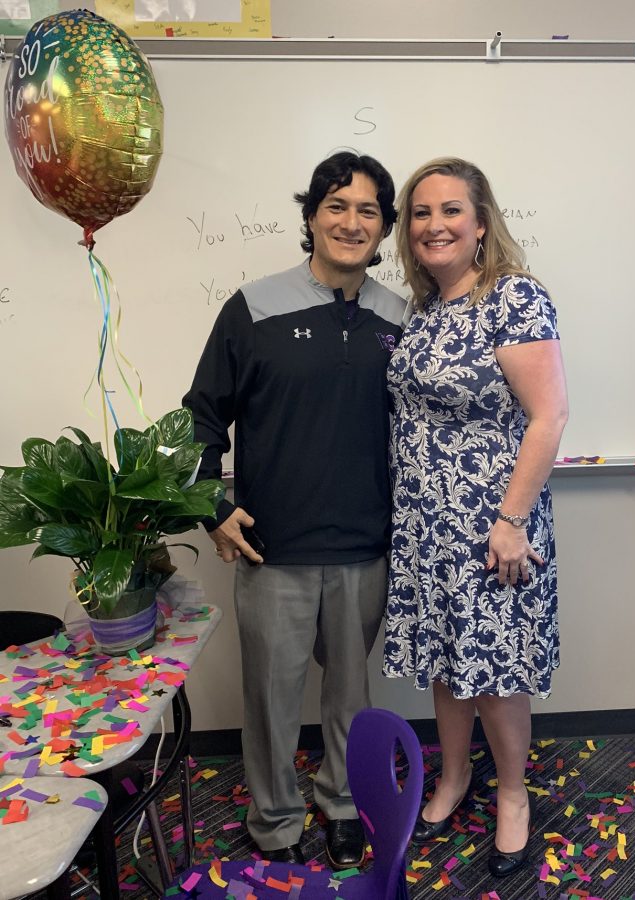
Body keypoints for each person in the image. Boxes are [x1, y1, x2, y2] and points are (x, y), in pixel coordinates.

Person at [183, 152, 407, 868]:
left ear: (384, 227)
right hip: (270, 548)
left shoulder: (401, 319)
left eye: (368, 210)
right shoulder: (252, 308)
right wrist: (212, 506)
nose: (351, 221)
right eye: (336, 206)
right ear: (310, 217)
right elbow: (200, 417)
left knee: (350, 693)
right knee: (272, 701)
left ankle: (341, 802)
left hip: (365, 546)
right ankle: (276, 819)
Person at [382, 157, 568, 878]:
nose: (435, 225)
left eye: (451, 210)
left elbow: (549, 417)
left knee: (494, 669)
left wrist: (511, 519)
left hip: (494, 523)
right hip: (426, 522)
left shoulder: (512, 299)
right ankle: (456, 777)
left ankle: (513, 795)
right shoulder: (422, 309)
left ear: (481, 223)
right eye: (421, 213)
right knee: (446, 658)